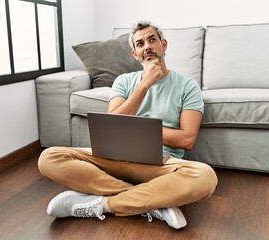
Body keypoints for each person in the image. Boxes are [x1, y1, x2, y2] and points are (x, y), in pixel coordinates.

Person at [38, 20, 218, 229]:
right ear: (135, 54)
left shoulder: (188, 86)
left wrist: (144, 133)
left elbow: (187, 139)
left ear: (164, 45)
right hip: (115, 159)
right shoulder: (124, 81)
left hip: (160, 163)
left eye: (152, 40)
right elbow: (112, 124)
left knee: (205, 177)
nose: (147, 46)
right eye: (140, 44)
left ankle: (105, 204)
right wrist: (145, 84)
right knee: (49, 157)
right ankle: (153, 202)